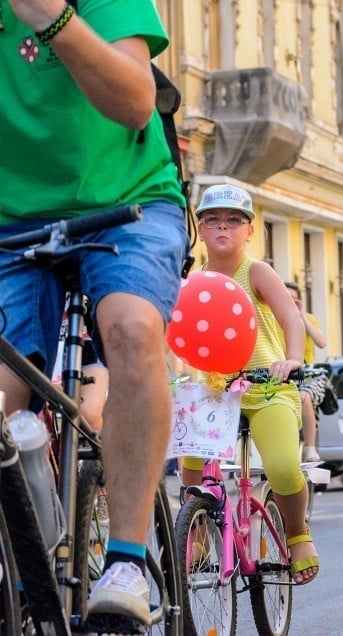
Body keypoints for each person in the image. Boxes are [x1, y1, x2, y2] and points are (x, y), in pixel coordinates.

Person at [0, 1, 188, 626]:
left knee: (133, 332)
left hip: (128, 202)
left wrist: (50, 15)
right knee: (5, 391)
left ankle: (127, 561)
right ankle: (27, 518)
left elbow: (136, 101)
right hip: (13, 218)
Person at [180, 184, 318, 584]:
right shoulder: (194, 280)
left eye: (233, 220)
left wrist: (292, 358)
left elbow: (291, 318)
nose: (223, 228)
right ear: (200, 229)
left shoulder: (256, 271)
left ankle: (297, 533)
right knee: (190, 454)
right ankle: (201, 532)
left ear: (249, 231)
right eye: (212, 220)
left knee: (282, 466)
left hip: (267, 388)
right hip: (216, 391)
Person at [285, 282, 328, 462]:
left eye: (294, 299)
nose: (289, 302)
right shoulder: (271, 317)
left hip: (307, 374)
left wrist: (300, 315)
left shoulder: (307, 318)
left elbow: (321, 342)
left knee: (304, 396)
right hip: (280, 373)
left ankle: (310, 448)